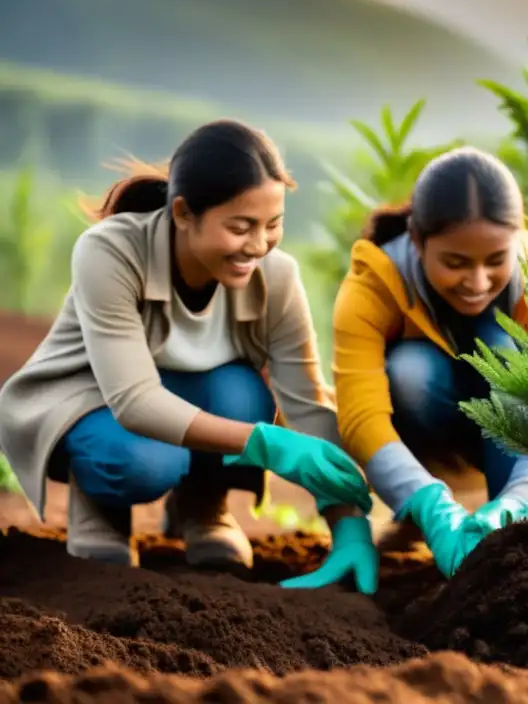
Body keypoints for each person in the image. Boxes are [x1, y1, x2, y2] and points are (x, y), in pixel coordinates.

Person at [0, 119, 377, 594]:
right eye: (241, 227)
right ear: (183, 213)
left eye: (273, 225)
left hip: (195, 396)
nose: (258, 245)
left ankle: (204, 506)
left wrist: (348, 525)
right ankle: (100, 511)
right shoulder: (111, 251)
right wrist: (267, 445)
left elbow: (307, 402)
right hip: (96, 402)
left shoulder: (277, 278)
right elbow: (135, 401)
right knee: (138, 462)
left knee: (244, 395)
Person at [329, 146, 528, 578]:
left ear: (516, 239)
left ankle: (513, 531)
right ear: (418, 240)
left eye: (496, 260)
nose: (477, 282)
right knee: (410, 370)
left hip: (509, 431)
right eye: (456, 263)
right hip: (425, 428)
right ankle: (416, 517)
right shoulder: (375, 283)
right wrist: (425, 499)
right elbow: (360, 417)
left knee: (506, 358)